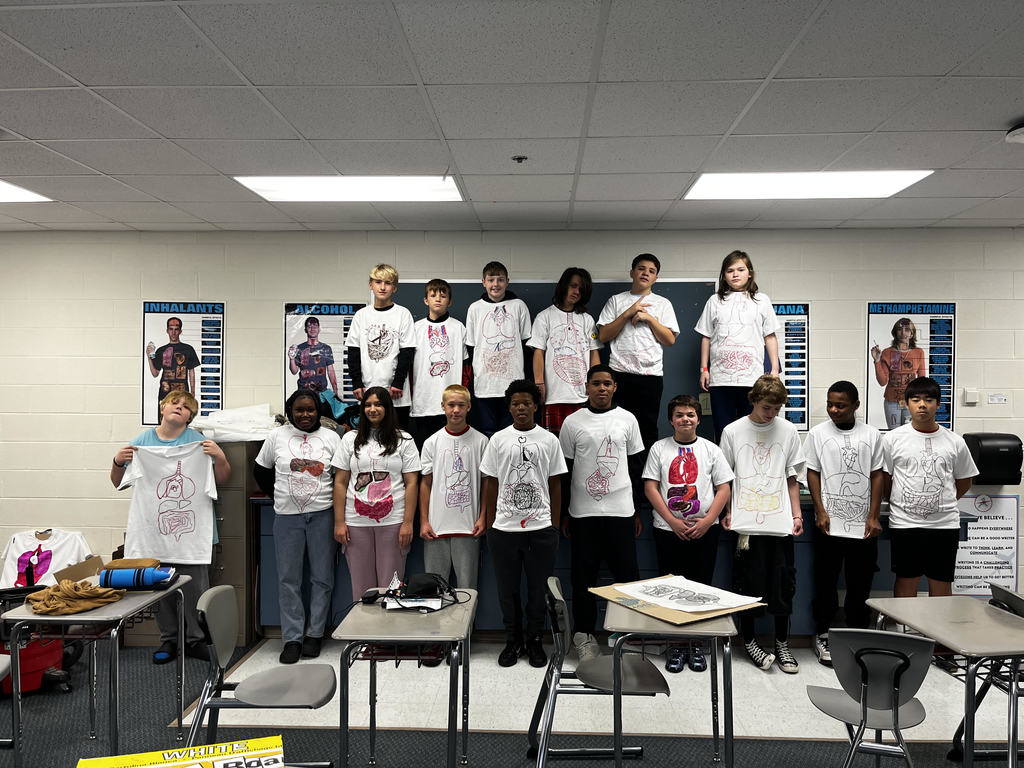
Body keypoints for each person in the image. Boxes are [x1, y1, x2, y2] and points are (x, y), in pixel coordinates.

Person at [110, 390, 230, 665]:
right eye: (174, 403)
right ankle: (169, 639)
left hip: (192, 532)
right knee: (159, 588)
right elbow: (118, 482)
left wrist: (220, 458)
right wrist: (118, 461)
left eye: (186, 407)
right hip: (154, 532)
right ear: (162, 409)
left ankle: (196, 639)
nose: (180, 407)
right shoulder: (142, 442)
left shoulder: (198, 443)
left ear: (190, 417)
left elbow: (221, 479)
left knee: (194, 590)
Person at [559, 365, 644, 662]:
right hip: (583, 514)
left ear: (615, 387)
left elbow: (636, 468)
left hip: (621, 512)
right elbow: (565, 473)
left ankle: (627, 636)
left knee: (627, 578)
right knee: (583, 578)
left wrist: (635, 511)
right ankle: (584, 636)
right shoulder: (572, 422)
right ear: (587, 387)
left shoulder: (628, 419)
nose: (602, 389)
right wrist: (565, 514)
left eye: (607, 383)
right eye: (596, 384)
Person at [720, 375, 804, 674]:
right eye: (768, 407)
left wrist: (797, 514)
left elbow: (792, 477)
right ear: (753, 400)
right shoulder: (733, 431)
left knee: (783, 584)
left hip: (779, 518)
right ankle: (751, 640)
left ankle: (782, 642)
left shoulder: (788, 430)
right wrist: (727, 512)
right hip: (747, 524)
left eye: (778, 408)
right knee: (748, 584)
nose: (772, 414)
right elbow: (725, 477)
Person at [643, 394, 732, 673]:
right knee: (671, 589)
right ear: (671, 420)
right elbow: (650, 487)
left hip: (704, 530)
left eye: (690, 415)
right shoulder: (659, 448)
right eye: (679, 415)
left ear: (698, 419)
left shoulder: (711, 449)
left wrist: (707, 521)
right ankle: (676, 644)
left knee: (700, 589)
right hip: (668, 531)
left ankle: (695, 643)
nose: (685, 419)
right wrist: (671, 521)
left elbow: (724, 489)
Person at [481, 380, 566, 668]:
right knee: (508, 591)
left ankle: (535, 641)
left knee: (538, 591)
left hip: (541, 530)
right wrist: (492, 523)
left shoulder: (549, 440)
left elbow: (555, 484)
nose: (521, 408)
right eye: (516, 403)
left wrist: (553, 524)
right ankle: (512, 641)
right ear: (509, 407)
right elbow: (491, 483)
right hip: (504, 530)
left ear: (535, 406)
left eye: (526, 403)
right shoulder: (498, 440)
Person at [254, 389, 341, 664]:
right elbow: (261, 471)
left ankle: (314, 634)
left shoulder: (331, 437)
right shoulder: (276, 437)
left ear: (319, 411)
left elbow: (340, 477)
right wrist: (279, 496)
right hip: (287, 518)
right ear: (290, 411)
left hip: (323, 515)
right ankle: (292, 638)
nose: (305, 415)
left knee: (322, 578)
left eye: (311, 410)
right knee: (288, 580)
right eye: (299, 410)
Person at [803, 381, 883, 667]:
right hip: (829, 523)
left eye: (841, 405)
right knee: (825, 580)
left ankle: (857, 633)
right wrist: (820, 510)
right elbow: (812, 472)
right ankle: (823, 633)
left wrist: (873, 516)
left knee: (860, 583)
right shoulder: (817, 433)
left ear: (856, 406)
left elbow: (877, 476)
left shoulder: (872, 435)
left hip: (863, 525)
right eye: (830, 404)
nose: (834, 410)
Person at [882, 376, 978, 598]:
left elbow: (964, 480)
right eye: (915, 399)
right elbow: (886, 478)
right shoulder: (893, 439)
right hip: (905, 524)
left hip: (944, 525)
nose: (922, 405)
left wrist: (942, 501)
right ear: (906, 403)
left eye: (928, 399)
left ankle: (937, 632)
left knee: (941, 581)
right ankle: (903, 631)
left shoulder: (955, 441)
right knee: (906, 579)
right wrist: (901, 501)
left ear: (939, 404)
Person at [332, 387, 421, 601]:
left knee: (391, 589)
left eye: (378, 404)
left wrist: (408, 523)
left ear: (388, 408)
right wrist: (339, 522)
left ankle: (387, 635)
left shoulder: (404, 440)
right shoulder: (350, 439)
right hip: (356, 523)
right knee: (362, 589)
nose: (373, 409)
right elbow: (341, 482)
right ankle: (362, 635)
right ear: (362, 409)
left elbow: (411, 483)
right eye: (368, 405)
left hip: (393, 523)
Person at [695, 251, 781, 443]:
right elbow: (706, 337)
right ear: (724, 275)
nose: (735, 274)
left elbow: (770, 336)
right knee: (723, 430)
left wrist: (774, 370)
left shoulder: (761, 300)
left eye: (740, 269)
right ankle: (725, 472)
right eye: (730, 270)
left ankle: (749, 471)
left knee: (752, 429)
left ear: (749, 273)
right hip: (721, 379)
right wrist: (704, 369)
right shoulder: (715, 301)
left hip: (752, 379)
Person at [597, 253, 679, 450]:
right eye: (641, 268)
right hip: (619, 374)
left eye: (651, 271)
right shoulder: (616, 301)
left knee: (647, 430)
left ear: (656, 278)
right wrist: (628, 312)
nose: (646, 273)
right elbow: (603, 335)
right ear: (632, 272)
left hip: (649, 376)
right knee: (615, 429)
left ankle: (644, 479)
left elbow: (669, 340)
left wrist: (649, 318)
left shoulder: (663, 303)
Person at [419, 385, 488, 590]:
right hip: (436, 529)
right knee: (435, 590)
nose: (455, 410)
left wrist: (483, 516)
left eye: (460, 405)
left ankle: (467, 624)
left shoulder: (482, 441)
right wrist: (424, 521)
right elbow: (425, 483)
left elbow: (487, 483)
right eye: (451, 405)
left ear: (469, 407)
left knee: (468, 590)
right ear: (443, 406)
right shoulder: (432, 442)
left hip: (469, 528)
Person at [528, 267, 602, 435]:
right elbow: (538, 352)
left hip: (582, 396)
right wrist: (539, 383)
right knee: (556, 446)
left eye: (581, 289)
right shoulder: (544, 316)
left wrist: (595, 384)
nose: (576, 292)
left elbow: (594, 353)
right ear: (564, 286)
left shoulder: (587, 319)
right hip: (555, 395)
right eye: (573, 286)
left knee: (583, 445)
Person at [466, 261, 532, 437]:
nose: (495, 284)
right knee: (486, 432)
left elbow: (527, 345)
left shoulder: (519, 306)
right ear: (483, 282)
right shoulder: (475, 308)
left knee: (510, 433)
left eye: (500, 279)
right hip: (484, 385)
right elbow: (471, 347)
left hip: (513, 383)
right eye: (491, 279)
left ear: (507, 281)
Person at [346, 264, 417, 428]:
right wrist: (356, 383)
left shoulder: (402, 314)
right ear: (371, 285)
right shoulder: (361, 315)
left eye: (388, 283)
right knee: (369, 441)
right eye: (378, 282)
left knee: (398, 440)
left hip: (396, 394)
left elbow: (407, 352)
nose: (383, 287)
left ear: (395, 287)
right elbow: (353, 352)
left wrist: (398, 382)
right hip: (368, 392)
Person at [409, 279, 468, 449]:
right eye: (433, 295)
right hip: (423, 401)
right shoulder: (416, 328)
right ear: (426, 300)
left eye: (443, 296)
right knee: (426, 450)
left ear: (449, 301)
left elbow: (466, 367)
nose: (438, 299)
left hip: (451, 402)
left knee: (450, 449)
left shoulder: (458, 328)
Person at [870, 318, 927, 429]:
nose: (903, 333)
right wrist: (877, 361)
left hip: (910, 401)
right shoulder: (888, 352)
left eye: (907, 329)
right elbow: (882, 382)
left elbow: (922, 380)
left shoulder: (918, 352)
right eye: (900, 329)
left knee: (909, 433)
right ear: (895, 332)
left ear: (912, 333)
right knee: (894, 434)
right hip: (892, 401)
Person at [146, 316, 199, 420]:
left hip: (182, 394)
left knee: (182, 422)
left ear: (180, 331)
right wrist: (149, 358)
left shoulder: (188, 349)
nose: (173, 332)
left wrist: (192, 393)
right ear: (167, 331)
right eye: (171, 329)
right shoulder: (161, 350)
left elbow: (191, 371)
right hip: (165, 394)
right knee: (163, 423)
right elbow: (155, 373)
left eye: (176, 329)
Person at [288, 315, 339, 395]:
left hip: (321, 392)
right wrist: (291, 359)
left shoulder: (326, 348)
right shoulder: (299, 348)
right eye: (309, 326)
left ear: (319, 329)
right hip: (303, 392)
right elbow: (294, 371)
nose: (312, 329)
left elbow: (330, 371)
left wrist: (335, 390)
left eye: (315, 326)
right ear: (305, 330)